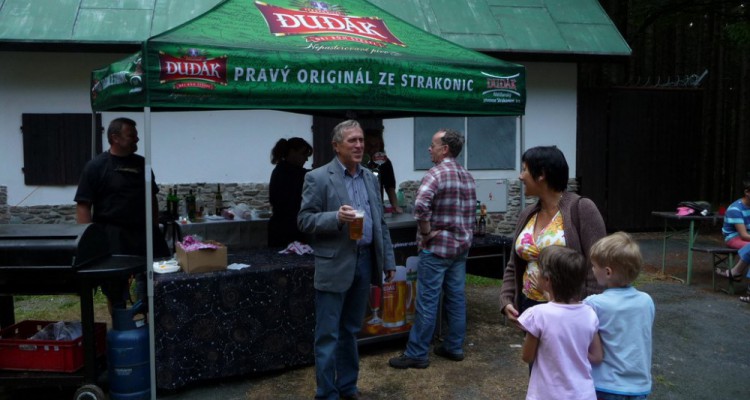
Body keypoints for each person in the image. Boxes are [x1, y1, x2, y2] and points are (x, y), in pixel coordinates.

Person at [298, 119, 396, 400]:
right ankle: (327, 393)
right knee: (328, 334)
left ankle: (348, 387)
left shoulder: (370, 177)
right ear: (336, 145)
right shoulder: (317, 177)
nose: (359, 145)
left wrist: (388, 261)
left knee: (351, 330)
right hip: (334, 263)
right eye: (352, 140)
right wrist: (335, 218)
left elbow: (380, 222)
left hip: (364, 261)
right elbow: (304, 220)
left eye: (361, 140)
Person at [388, 128, 476, 369]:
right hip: (460, 248)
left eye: (433, 145)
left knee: (427, 300)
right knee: (456, 299)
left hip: (436, 249)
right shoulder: (467, 176)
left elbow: (420, 206)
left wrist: (426, 232)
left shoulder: (435, 174)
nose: (429, 148)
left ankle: (417, 352)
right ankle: (454, 346)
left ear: (445, 149)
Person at [499, 145, 606, 330]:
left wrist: (587, 311)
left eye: (524, 169)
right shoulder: (527, 214)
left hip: (569, 311)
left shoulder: (581, 208)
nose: (520, 176)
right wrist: (506, 299)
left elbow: (598, 262)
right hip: (529, 306)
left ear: (541, 174)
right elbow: (513, 264)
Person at [74, 117, 170, 312]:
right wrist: (88, 241)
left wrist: (153, 225)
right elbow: (83, 206)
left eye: (136, 135)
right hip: (113, 236)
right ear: (115, 138)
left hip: (144, 233)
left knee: (157, 282)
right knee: (115, 289)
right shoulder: (95, 167)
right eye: (131, 135)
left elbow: (151, 197)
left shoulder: (143, 165)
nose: (137, 139)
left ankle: (151, 319)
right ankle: (120, 322)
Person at [518, 245, 603, 400]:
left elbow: (527, 357)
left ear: (547, 280)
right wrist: (573, 350)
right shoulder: (590, 314)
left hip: (547, 395)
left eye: (539, 270)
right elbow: (597, 357)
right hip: (583, 395)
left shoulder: (537, 315)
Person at [584, 231, 654, 399]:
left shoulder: (593, 304)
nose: (592, 269)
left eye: (594, 266)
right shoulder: (646, 301)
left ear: (608, 272)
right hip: (639, 386)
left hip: (606, 385)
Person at [268, 137, 312, 247]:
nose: (306, 159)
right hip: (286, 230)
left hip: (285, 227)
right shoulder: (289, 173)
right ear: (292, 152)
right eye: (304, 154)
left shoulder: (283, 170)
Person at [715, 178, 750, 284]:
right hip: (734, 237)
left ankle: (735, 272)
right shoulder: (735, 209)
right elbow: (743, 235)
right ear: (747, 192)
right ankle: (735, 272)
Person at [363, 128, 403, 213]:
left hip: (377, 208)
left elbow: (390, 187)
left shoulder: (385, 162)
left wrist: (395, 206)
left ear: (380, 146)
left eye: (376, 146)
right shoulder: (356, 162)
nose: (372, 149)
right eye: (369, 145)